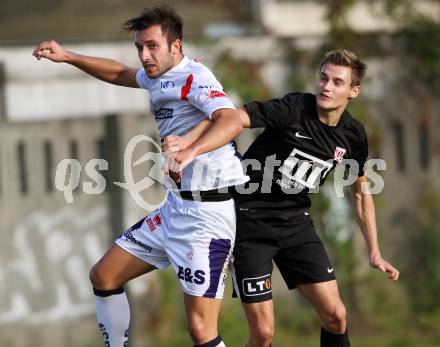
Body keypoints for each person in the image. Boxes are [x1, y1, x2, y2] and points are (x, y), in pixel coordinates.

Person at [33, 5, 248, 347]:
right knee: (104, 275)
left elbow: (231, 119)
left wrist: (189, 151)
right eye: (140, 47)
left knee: (201, 330)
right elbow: (120, 73)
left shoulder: (196, 77)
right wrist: (68, 56)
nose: (145, 55)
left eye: (152, 46)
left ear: (176, 46)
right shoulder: (158, 75)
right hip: (175, 209)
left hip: (207, 219)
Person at [162, 49, 400, 347]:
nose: (326, 87)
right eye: (323, 78)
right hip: (250, 223)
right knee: (263, 334)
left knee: (336, 315)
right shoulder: (294, 108)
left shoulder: (353, 135)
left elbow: (361, 192)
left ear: (354, 91)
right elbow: (231, 118)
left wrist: (374, 252)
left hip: (296, 226)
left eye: (338, 82)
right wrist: (188, 142)